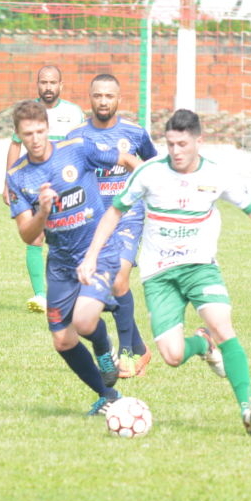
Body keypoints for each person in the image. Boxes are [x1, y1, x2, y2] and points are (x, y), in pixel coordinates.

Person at [78, 109, 251, 436]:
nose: (176, 151)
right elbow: (114, 212)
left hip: (200, 268)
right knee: (172, 355)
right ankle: (202, 344)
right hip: (159, 275)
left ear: (199, 141)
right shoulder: (149, 173)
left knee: (223, 325)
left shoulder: (217, 175)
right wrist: (92, 255)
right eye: (170, 144)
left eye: (182, 144)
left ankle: (246, 409)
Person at [6, 99, 150, 416]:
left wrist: (147, 188)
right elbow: (27, 235)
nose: (35, 139)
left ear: (48, 127)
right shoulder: (18, 177)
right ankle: (108, 394)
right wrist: (43, 210)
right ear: (18, 135)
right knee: (63, 340)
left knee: (85, 321)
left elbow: (125, 159)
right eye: (27, 133)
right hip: (60, 262)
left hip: (99, 250)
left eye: (40, 130)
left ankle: (104, 350)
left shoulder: (77, 148)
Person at [69, 73, 158, 379]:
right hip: (91, 220)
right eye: (98, 96)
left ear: (119, 100)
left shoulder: (134, 133)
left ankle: (127, 355)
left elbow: (152, 167)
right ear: (89, 98)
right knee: (96, 292)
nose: (103, 101)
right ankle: (141, 348)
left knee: (120, 277)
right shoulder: (77, 135)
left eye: (109, 96)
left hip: (128, 217)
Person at [3, 65, 86, 313]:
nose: (47, 87)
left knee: (70, 236)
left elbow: (81, 145)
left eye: (52, 82)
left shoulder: (73, 113)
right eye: (43, 82)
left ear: (61, 85)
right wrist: (8, 183)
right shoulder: (29, 113)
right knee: (35, 236)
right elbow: (15, 146)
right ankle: (40, 294)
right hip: (34, 185)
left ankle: (77, 291)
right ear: (37, 84)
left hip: (68, 184)